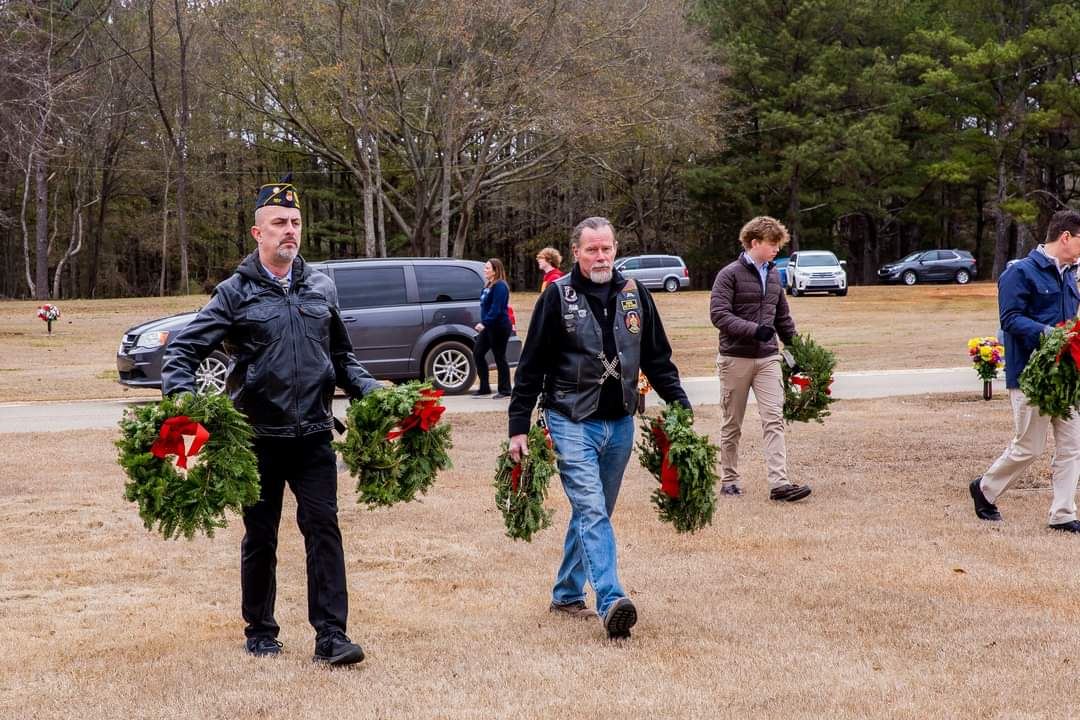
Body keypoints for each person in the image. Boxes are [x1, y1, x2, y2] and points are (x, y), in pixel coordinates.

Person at [161, 175, 381, 665]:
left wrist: (373, 391)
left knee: (323, 528)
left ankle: (331, 636)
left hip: (314, 437)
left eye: (296, 222)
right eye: (279, 222)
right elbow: (182, 351)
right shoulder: (235, 292)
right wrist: (185, 407)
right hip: (256, 440)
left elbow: (342, 357)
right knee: (260, 536)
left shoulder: (321, 285)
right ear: (257, 233)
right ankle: (260, 629)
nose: (289, 230)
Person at [508, 217, 690, 640]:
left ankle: (567, 592)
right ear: (576, 252)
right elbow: (531, 366)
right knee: (591, 509)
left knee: (596, 513)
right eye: (592, 249)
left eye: (606, 248)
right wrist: (518, 426)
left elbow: (657, 357)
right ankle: (611, 600)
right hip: (570, 419)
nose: (601, 256)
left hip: (620, 421)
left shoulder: (634, 293)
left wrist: (679, 404)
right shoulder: (557, 297)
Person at [971, 209, 1080, 533]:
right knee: (1030, 447)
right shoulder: (1020, 273)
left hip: (1065, 374)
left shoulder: (1070, 275)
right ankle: (985, 489)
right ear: (1066, 237)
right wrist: (1049, 334)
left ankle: (1062, 513)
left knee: (1072, 445)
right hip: (1031, 374)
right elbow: (1011, 319)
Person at [709, 216, 811, 502]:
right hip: (735, 359)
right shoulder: (728, 274)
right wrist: (755, 331)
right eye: (772, 243)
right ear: (755, 243)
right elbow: (719, 315)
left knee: (774, 419)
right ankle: (729, 479)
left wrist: (797, 350)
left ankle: (780, 484)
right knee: (732, 423)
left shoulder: (775, 274)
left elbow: (782, 317)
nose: (777, 249)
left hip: (768, 359)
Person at [473, 258, 513, 398]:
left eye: (488, 268)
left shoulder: (500, 286)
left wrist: (484, 323)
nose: (485, 270)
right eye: (485, 268)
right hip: (489, 327)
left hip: (499, 327)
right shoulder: (488, 285)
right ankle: (484, 388)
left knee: (499, 357)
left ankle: (505, 389)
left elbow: (496, 309)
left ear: (495, 270)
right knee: (478, 353)